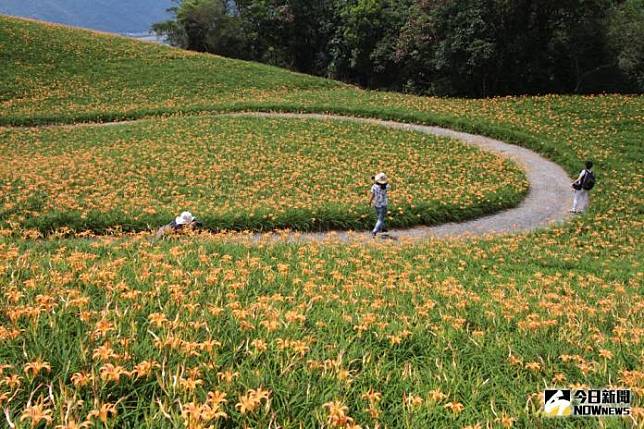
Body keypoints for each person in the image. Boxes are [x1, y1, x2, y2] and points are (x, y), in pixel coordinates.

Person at [369, 172, 390, 237]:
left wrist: (369, 202)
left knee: (379, 218)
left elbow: (373, 195)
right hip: (383, 205)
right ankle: (374, 231)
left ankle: (382, 229)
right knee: (380, 219)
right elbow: (385, 184)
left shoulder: (374, 186)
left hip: (376, 204)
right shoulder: (387, 186)